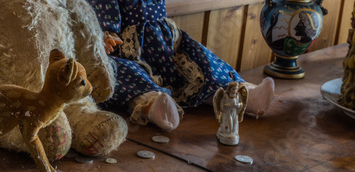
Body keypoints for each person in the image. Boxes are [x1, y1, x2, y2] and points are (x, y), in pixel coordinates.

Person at [86, 0, 275, 131]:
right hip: (127, 49)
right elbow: (98, 13)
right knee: (121, 72)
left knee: (200, 57)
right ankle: (153, 105)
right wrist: (104, 34)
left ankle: (241, 94)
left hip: (164, 41)